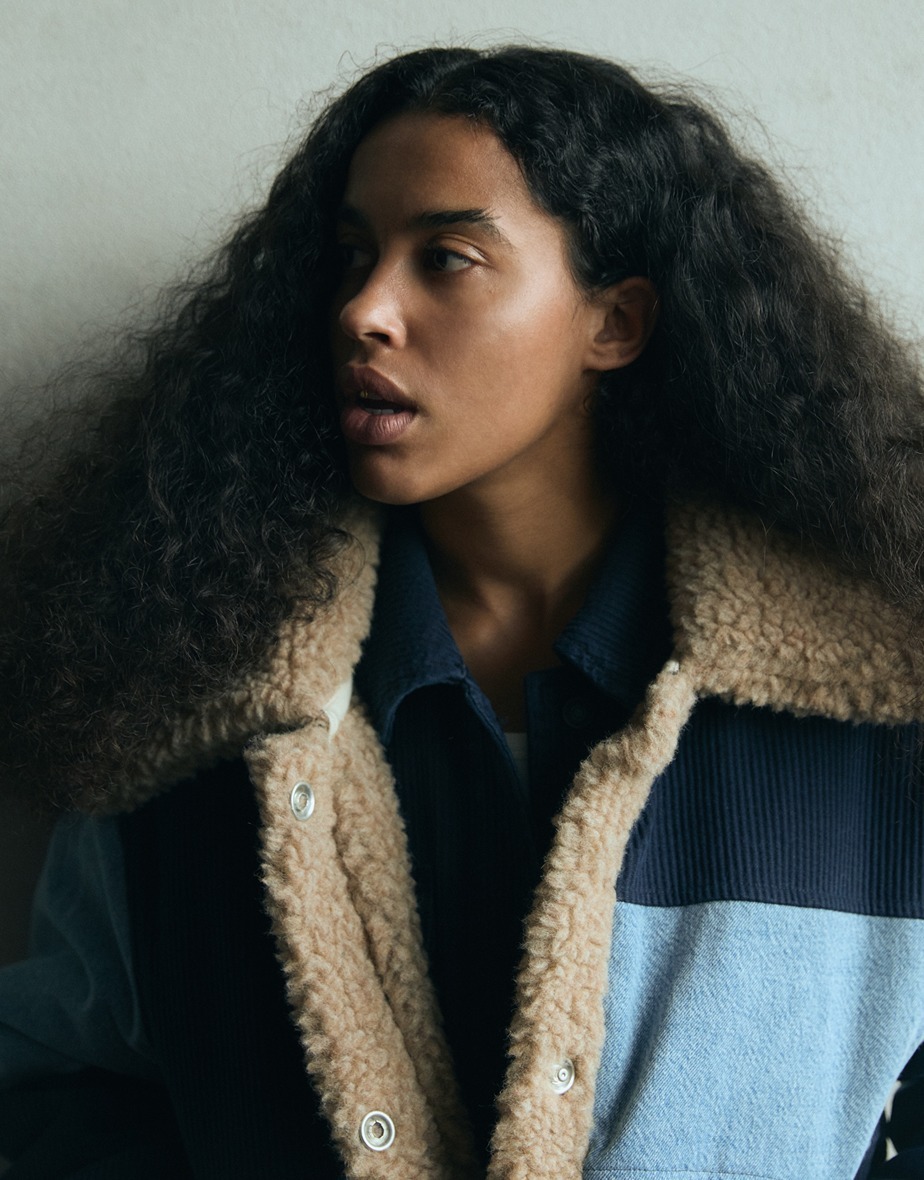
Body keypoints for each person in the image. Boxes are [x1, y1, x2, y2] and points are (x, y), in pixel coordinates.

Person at [0, 44, 922, 1180]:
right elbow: (59, 1080)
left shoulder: (870, 703)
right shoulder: (197, 692)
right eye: (351, 257)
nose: (364, 311)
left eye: (447, 259)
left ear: (615, 324)